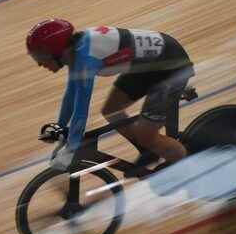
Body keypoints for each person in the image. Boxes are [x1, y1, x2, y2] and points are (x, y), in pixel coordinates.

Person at [26, 18, 194, 171]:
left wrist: (71, 148)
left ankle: (190, 169)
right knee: (111, 110)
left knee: (146, 135)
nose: (40, 64)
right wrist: (61, 131)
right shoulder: (75, 53)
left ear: (55, 50)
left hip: (171, 67)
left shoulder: (85, 58)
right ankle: (149, 151)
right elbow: (70, 98)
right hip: (147, 65)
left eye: (40, 57)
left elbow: (80, 110)